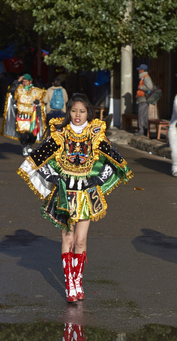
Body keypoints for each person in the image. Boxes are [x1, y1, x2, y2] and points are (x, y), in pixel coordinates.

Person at [17, 93, 133, 303]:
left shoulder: (96, 133)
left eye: (81, 111)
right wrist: (52, 176)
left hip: (87, 194)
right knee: (67, 239)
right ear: (68, 112)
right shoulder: (60, 133)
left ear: (88, 112)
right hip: (64, 193)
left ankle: (78, 280)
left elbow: (116, 160)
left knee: (81, 240)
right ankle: (70, 285)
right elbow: (35, 159)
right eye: (73, 111)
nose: (77, 115)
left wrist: (97, 179)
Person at [1, 73, 46, 156]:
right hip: (21, 117)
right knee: (23, 134)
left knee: (33, 134)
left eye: (26, 81)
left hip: (32, 117)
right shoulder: (19, 89)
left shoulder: (37, 90)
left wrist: (38, 103)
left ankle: (29, 145)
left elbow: (43, 102)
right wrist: (17, 81)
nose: (24, 83)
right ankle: (25, 146)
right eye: (23, 81)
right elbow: (11, 90)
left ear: (30, 81)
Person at [135, 64, 153, 136]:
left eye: (139, 69)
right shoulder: (144, 77)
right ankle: (144, 130)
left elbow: (150, 87)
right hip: (143, 98)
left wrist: (141, 87)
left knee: (141, 115)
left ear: (142, 70)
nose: (138, 70)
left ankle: (141, 131)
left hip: (143, 98)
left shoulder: (146, 77)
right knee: (144, 115)